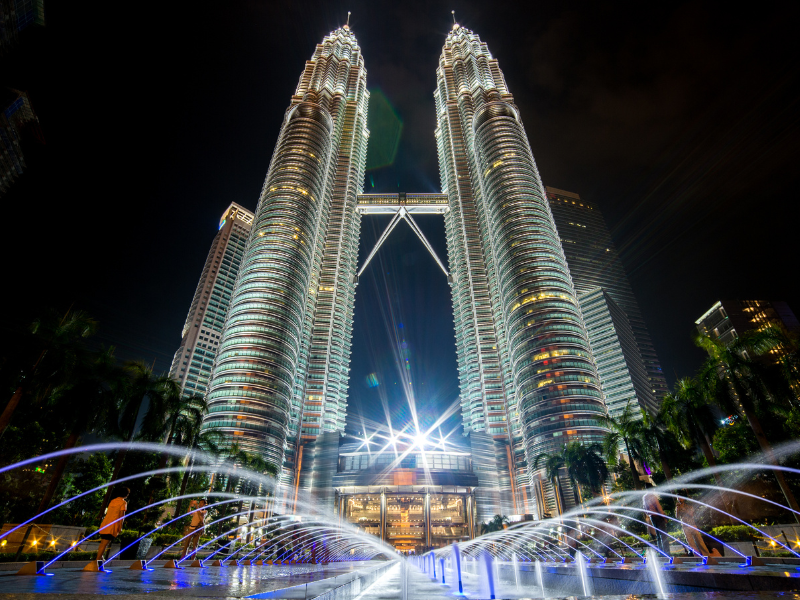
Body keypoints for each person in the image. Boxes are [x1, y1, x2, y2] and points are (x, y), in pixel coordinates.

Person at [96, 487, 129, 561]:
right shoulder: (123, 503)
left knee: (103, 542)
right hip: (112, 525)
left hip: (105, 523)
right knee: (105, 543)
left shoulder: (113, 501)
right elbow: (121, 517)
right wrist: (120, 527)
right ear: (126, 494)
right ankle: (97, 560)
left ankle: (100, 557)